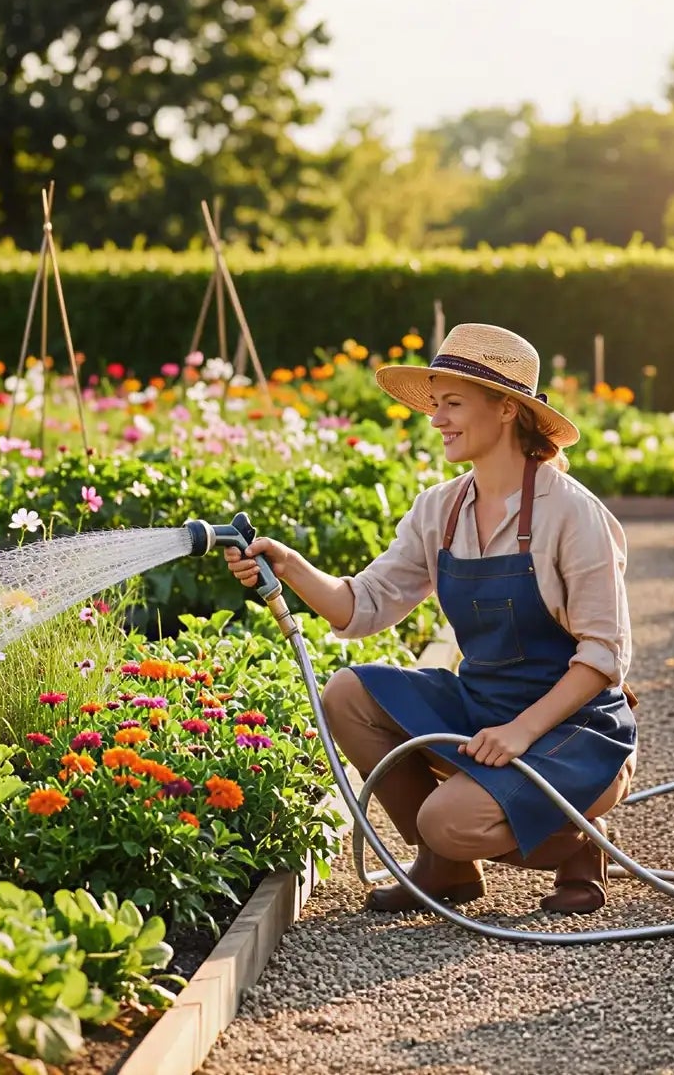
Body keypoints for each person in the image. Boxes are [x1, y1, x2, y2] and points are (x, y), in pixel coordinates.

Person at [224, 323, 636, 915]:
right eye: (435, 405)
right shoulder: (439, 509)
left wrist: (522, 732)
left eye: (453, 403)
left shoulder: (571, 513)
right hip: (487, 706)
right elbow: (362, 605)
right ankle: (448, 870)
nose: (437, 418)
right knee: (347, 694)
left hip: (575, 730)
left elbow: (604, 656)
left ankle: (575, 845)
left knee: (443, 819)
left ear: (505, 410)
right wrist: (288, 565)